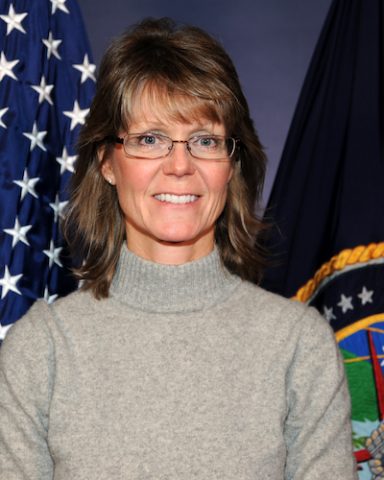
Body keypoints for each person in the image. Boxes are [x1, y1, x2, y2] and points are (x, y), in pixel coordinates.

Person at [0, 17, 357, 480]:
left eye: (205, 140)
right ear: (108, 161)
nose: (179, 166)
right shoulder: (40, 350)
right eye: (150, 139)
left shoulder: (298, 346)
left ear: (232, 164)